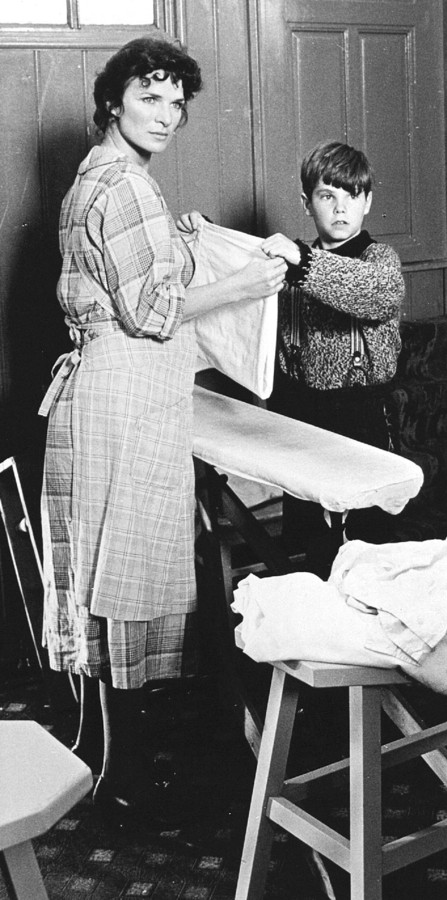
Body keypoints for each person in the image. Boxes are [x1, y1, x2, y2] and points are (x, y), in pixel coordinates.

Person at [38, 37, 287, 827]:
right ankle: (127, 779)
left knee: (108, 580)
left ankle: (107, 760)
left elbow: (122, 278)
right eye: (151, 98)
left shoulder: (97, 175)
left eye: (178, 103)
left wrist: (179, 240)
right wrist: (246, 281)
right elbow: (152, 310)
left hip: (104, 390)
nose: (168, 115)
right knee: (128, 579)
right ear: (113, 101)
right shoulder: (127, 187)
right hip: (126, 397)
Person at [260, 140, 405, 574]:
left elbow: (373, 291)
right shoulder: (286, 265)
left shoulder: (380, 260)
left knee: (369, 544)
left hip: (362, 416)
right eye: (327, 196)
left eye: (352, 196)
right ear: (307, 203)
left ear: (367, 202)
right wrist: (204, 235)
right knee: (311, 547)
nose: (340, 208)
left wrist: (302, 260)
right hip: (302, 418)